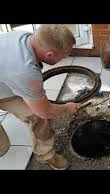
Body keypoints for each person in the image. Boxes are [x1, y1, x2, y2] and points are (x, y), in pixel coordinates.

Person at [0, 25, 80, 170]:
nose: (64, 58)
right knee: (38, 117)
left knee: (35, 112)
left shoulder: (24, 37)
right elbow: (45, 111)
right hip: (8, 81)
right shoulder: (26, 71)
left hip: (4, 81)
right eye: (64, 56)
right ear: (50, 54)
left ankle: (46, 154)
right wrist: (67, 107)